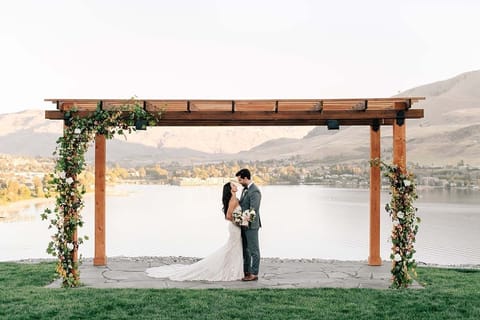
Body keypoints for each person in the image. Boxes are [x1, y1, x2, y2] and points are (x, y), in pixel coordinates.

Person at [145, 182, 244, 281]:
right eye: (233, 185)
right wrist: (239, 221)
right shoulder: (233, 200)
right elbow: (228, 216)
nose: (236, 186)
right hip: (235, 227)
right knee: (232, 249)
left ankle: (231, 269)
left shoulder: (235, 199)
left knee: (233, 249)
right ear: (230, 189)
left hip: (236, 227)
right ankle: (229, 270)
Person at [236, 168, 262, 281]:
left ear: (246, 178)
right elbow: (243, 205)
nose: (239, 182)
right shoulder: (244, 190)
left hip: (251, 225)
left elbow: (253, 209)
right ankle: (247, 271)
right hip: (243, 224)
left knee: (253, 250)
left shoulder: (255, 191)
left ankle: (254, 273)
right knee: (245, 249)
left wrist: (246, 222)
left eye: (240, 180)